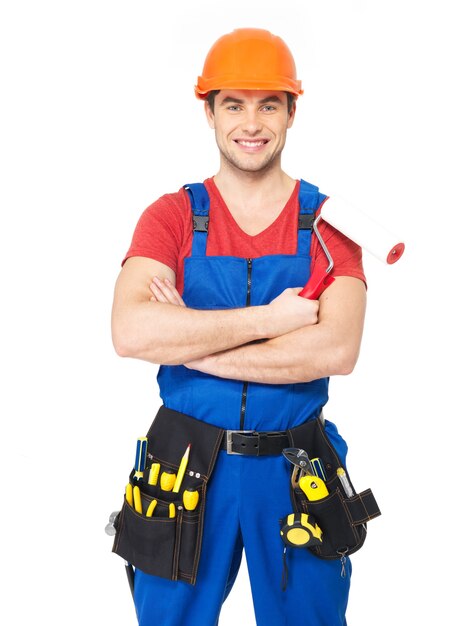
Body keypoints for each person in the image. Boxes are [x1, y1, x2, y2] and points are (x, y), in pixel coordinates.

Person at [111, 28, 366, 626]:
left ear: (292, 112)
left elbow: (337, 347)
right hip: (185, 464)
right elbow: (130, 331)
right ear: (209, 111)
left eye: (268, 104)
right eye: (234, 104)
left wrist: (188, 341)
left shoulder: (331, 228)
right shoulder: (170, 217)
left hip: (295, 467)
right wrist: (271, 322)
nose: (251, 123)